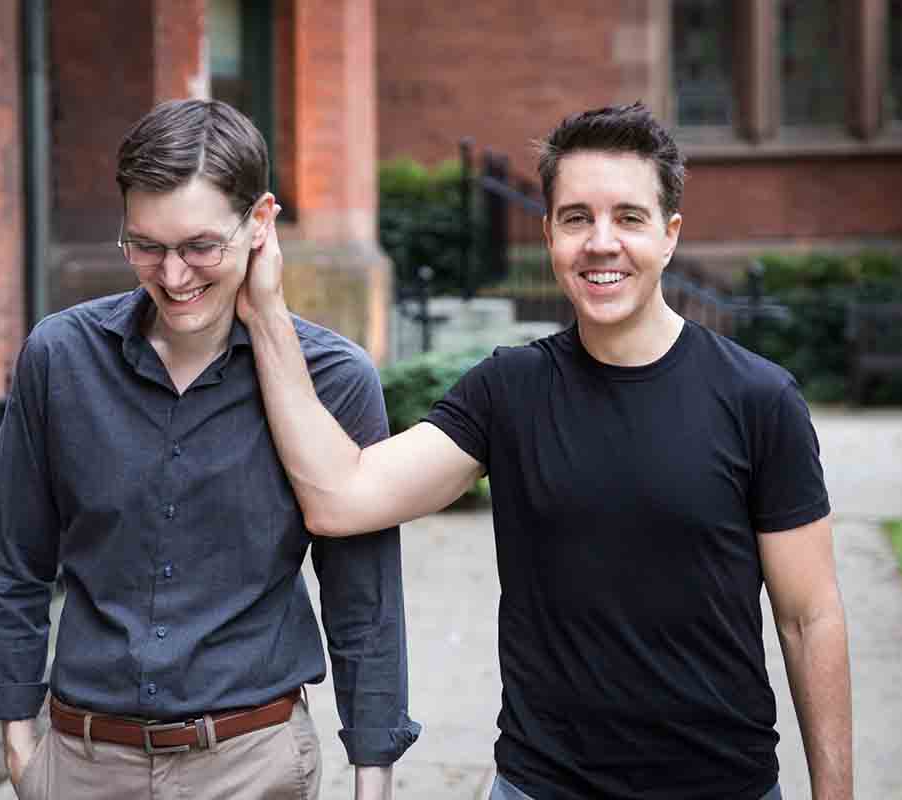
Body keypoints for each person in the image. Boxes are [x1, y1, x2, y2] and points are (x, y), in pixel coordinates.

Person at [238, 103, 852, 800]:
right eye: (576, 218)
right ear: (549, 235)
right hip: (543, 786)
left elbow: (810, 619)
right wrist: (265, 312)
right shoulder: (509, 392)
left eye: (629, 217)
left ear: (670, 235)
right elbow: (340, 498)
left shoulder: (758, 399)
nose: (601, 243)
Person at [0, 99, 418, 800]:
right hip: (80, 762)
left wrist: (374, 776)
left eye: (200, 247)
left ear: (261, 223)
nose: (174, 276)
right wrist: (16, 730)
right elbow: (14, 556)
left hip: (252, 764)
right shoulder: (60, 357)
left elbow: (363, 600)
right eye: (146, 246)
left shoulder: (335, 380)